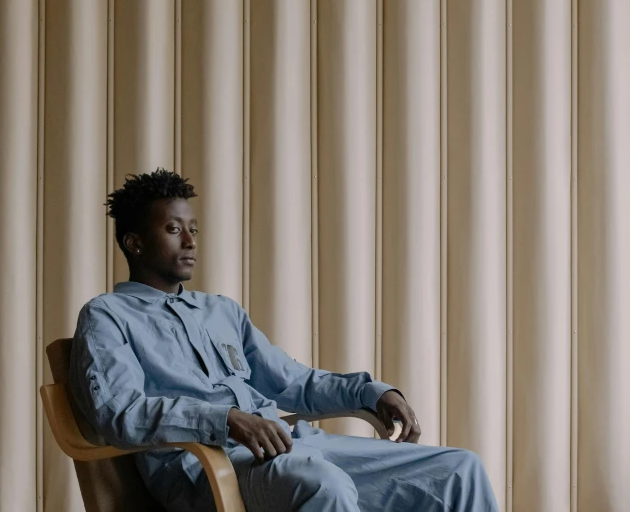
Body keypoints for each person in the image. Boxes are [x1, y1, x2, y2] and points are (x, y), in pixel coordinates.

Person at [68, 169, 498, 512]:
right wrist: (225, 418)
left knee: (459, 468)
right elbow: (119, 413)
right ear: (134, 242)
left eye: (193, 228)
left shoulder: (221, 312)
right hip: (206, 468)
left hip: (292, 448)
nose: (191, 240)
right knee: (321, 485)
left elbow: (292, 381)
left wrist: (372, 391)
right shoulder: (108, 316)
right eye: (173, 229)